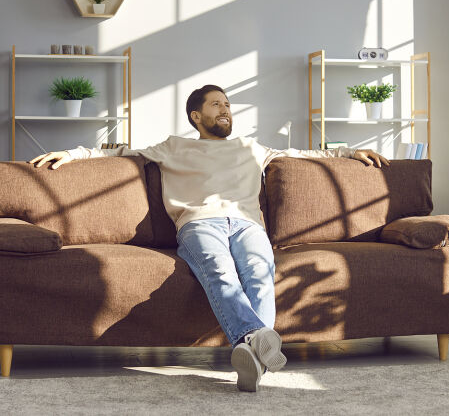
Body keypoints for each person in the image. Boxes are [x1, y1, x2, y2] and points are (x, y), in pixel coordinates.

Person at [29, 84, 389, 392]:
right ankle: (260, 341)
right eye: (216, 104)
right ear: (195, 116)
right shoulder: (172, 147)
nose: (226, 110)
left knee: (260, 274)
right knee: (221, 274)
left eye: (228, 105)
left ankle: (251, 358)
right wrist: (73, 153)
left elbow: (305, 155)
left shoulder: (251, 148)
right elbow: (116, 152)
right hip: (199, 223)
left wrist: (349, 151)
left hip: (248, 224)